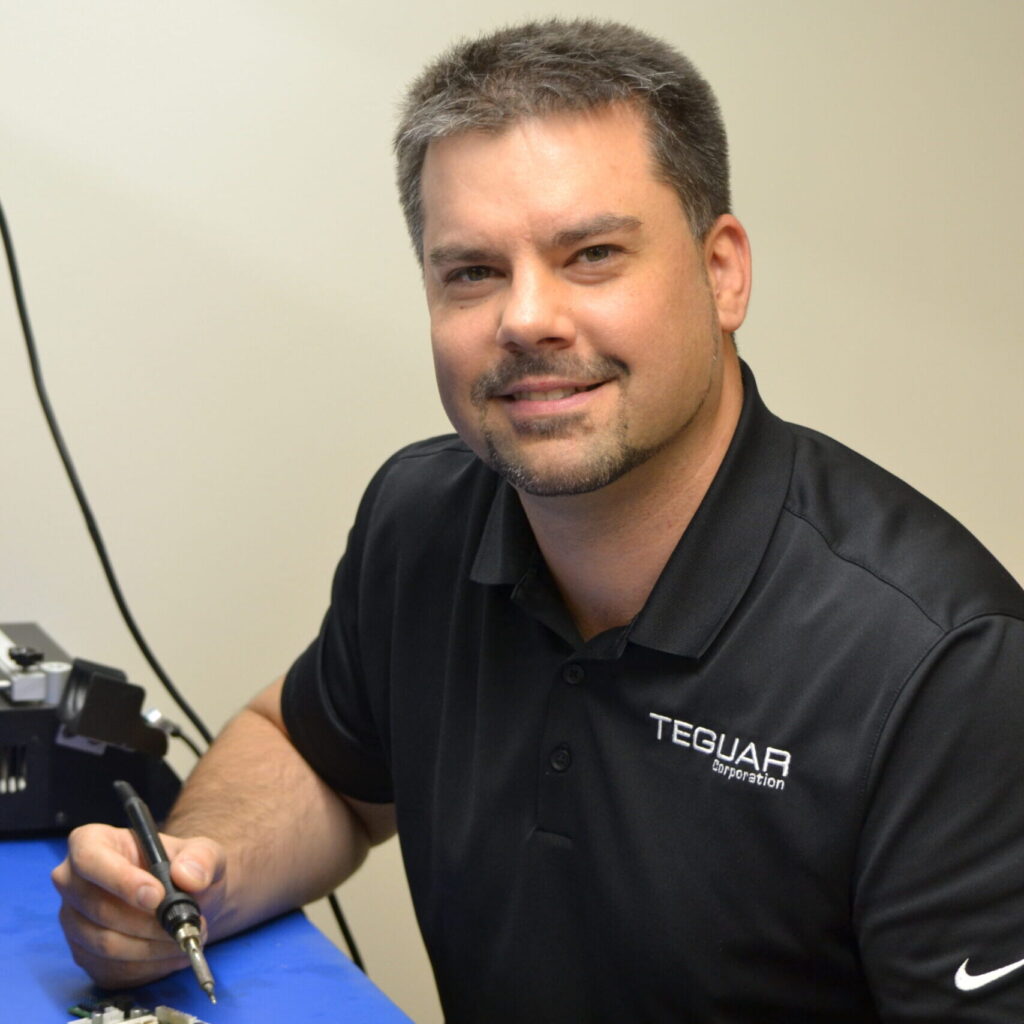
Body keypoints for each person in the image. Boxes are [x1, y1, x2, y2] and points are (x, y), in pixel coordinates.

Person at [52, 18, 1024, 1023]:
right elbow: (316, 759)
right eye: (471, 271)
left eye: (591, 253)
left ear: (721, 272)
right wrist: (186, 879)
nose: (525, 318)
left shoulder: (947, 668)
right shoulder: (419, 518)